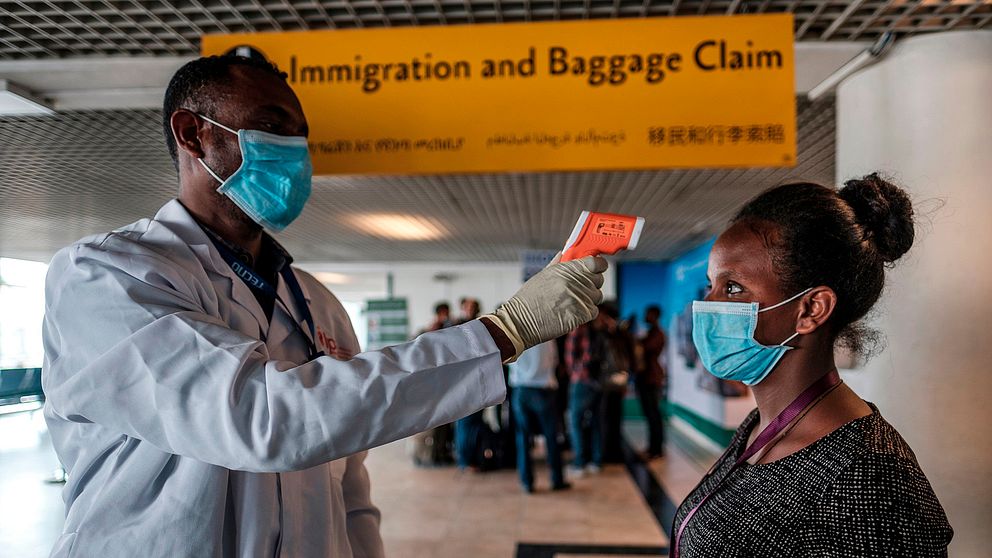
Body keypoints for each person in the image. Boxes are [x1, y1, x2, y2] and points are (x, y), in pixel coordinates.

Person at [41, 55, 609, 558]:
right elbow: (260, 419)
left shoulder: (313, 300)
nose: (294, 150)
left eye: (300, 136)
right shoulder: (106, 278)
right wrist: (501, 332)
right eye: (270, 127)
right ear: (193, 134)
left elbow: (348, 483)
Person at [671, 175, 952, 557]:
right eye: (711, 285)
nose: (707, 305)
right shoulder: (760, 427)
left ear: (811, 310)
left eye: (733, 287)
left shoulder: (871, 479)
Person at [508, 340, 570, 493]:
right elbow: (554, 360)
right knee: (551, 436)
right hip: (544, 389)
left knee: (523, 437)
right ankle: (557, 479)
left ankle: (527, 482)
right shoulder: (549, 336)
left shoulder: (515, 335)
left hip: (521, 389)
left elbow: (508, 361)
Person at [565, 306, 612, 476]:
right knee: (596, 421)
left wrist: (576, 373)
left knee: (575, 421)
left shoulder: (580, 327)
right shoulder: (605, 327)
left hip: (582, 380)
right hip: (600, 381)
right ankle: (597, 461)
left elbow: (571, 357)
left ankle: (580, 463)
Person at [636, 305, 666, 458]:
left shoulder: (657, 334)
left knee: (653, 414)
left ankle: (656, 449)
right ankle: (652, 447)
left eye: (648, 314)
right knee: (650, 414)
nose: (645, 316)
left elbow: (645, 348)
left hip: (651, 379)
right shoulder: (650, 333)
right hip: (646, 377)